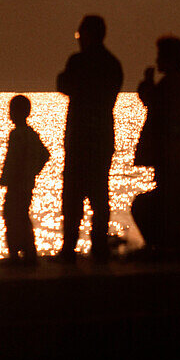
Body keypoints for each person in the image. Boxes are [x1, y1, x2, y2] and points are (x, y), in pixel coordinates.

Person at [55, 14, 123, 264]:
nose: (79, 40)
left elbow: (62, 83)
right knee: (99, 193)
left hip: (80, 137)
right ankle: (99, 246)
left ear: (88, 35)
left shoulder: (79, 61)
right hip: (103, 136)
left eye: (79, 35)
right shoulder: (113, 64)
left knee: (72, 195)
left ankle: (69, 248)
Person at [130, 35, 180, 256]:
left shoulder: (172, 83)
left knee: (157, 205)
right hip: (175, 155)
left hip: (171, 156)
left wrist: (146, 84)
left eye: (160, 56)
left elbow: (155, 103)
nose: (157, 59)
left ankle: (166, 246)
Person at [0, 95, 50, 267]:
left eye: (12, 110)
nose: (10, 114)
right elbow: (44, 155)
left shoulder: (17, 135)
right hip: (26, 184)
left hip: (17, 184)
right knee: (21, 216)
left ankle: (17, 255)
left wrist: (8, 177)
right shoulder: (30, 134)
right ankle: (29, 253)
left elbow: (13, 159)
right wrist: (33, 172)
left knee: (12, 216)